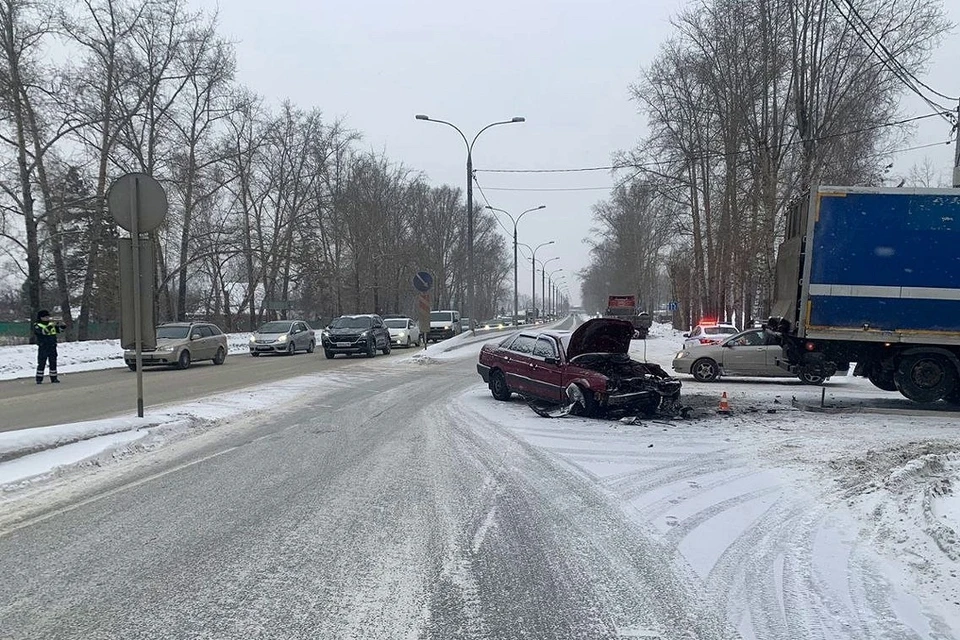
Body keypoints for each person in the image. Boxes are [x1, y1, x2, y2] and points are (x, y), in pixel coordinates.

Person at [34, 309, 66, 384]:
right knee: (42, 363)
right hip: (43, 347)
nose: (47, 318)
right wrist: (51, 326)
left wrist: (62, 326)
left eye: (48, 317)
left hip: (52, 346)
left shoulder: (50, 324)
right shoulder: (37, 325)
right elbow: (43, 332)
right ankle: (39, 379)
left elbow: (58, 330)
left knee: (53, 362)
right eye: (45, 317)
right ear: (41, 318)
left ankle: (54, 378)